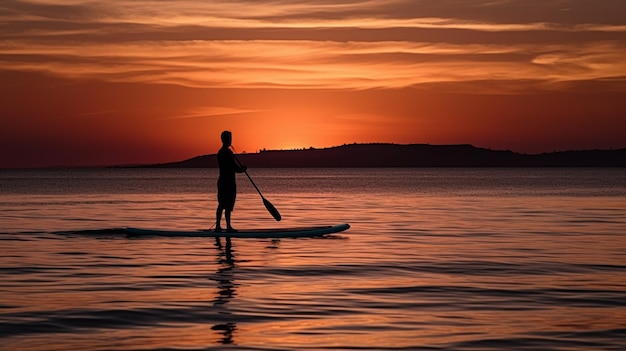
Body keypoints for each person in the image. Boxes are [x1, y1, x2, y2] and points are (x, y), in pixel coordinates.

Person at [215, 130, 246, 232]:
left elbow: (233, 167)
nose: (230, 140)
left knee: (224, 204)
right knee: (225, 205)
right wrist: (242, 169)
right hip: (227, 183)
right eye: (229, 138)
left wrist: (241, 169)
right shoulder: (227, 153)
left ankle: (221, 226)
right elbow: (234, 168)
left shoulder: (222, 152)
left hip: (225, 182)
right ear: (225, 140)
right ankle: (224, 227)